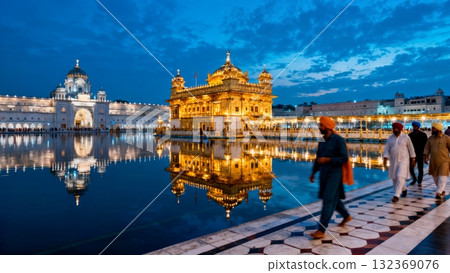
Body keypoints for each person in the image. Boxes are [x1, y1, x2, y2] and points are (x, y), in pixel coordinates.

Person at [309, 117, 352, 239]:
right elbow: (318, 157)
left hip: (334, 174)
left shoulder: (338, 140)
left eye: (321, 125)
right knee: (334, 198)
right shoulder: (322, 140)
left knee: (328, 199)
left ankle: (321, 230)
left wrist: (328, 159)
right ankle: (346, 215)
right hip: (324, 173)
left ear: (327, 126)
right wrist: (313, 172)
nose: (319, 127)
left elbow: (344, 158)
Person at [383, 122, 416, 202]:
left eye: (396, 128)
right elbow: (387, 149)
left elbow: (411, 148)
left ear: (400, 129)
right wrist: (385, 158)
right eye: (393, 128)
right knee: (394, 178)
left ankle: (396, 195)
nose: (394, 130)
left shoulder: (406, 137)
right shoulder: (390, 138)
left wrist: (413, 159)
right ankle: (404, 189)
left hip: (404, 160)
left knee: (400, 176)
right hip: (393, 160)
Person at [424, 122, 450, 199]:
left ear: (438, 129)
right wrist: (426, 156)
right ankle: (442, 190)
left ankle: (438, 192)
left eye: (433, 128)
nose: (432, 129)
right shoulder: (430, 139)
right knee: (435, 177)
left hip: (444, 161)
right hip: (433, 161)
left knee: (442, 176)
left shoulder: (446, 138)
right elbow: (427, 148)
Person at [408, 121, 428, 186]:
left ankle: (419, 181)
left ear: (418, 127)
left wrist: (425, 155)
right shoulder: (410, 135)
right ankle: (414, 179)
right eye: (413, 126)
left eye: (415, 126)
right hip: (412, 154)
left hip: (420, 154)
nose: (414, 127)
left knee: (420, 168)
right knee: (410, 168)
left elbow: (426, 145)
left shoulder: (423, 135)